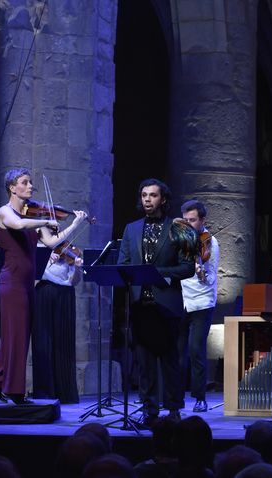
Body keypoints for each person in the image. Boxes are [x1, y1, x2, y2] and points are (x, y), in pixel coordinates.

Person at [0, 168, 87, 405]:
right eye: (25, 183)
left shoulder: (32, 215)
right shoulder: (5, 212)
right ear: (12, 187)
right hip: (12, 282)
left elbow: (52, 241)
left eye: (30, 183)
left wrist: (75, 223)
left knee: (19, 335)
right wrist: (46, 219)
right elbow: (18, 225)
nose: (30, 187)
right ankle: (14, 390)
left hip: (28, 283)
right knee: (16, 335)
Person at [118, 178, 196, 428]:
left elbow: (187, 268)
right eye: (144, 195)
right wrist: (132, 274)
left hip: (167, 304)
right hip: (141, 304)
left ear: (163, 199)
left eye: (152, 195)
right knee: (145, 363)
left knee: (169, 360)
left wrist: (159, 273)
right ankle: (150, 411)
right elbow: (124, 262)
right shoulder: (131, 228)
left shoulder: (179, 227)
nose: (147, 199)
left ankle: (173, 409)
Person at [179, 199, 220, 413]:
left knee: (196, 350)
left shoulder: (210, 243)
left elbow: (211, 277)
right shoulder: (179, 239)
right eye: (185, 220)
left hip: (201, 302)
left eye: (192, 220)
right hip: (181, 300)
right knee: (177, 350)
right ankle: (174, 396)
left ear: (202, 220)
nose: (187, 224)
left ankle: (200, 398)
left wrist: (201, 273)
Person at [31, 248, 82, 403]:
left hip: (65, 295)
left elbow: (74, 281)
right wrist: (45, 258)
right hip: (43, 292)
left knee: (64, 343)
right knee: (42, 341)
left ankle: (65, 392)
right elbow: (31, 275)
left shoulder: (69, 251)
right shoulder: (38, 250)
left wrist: (78, 268)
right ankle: (44, 392)